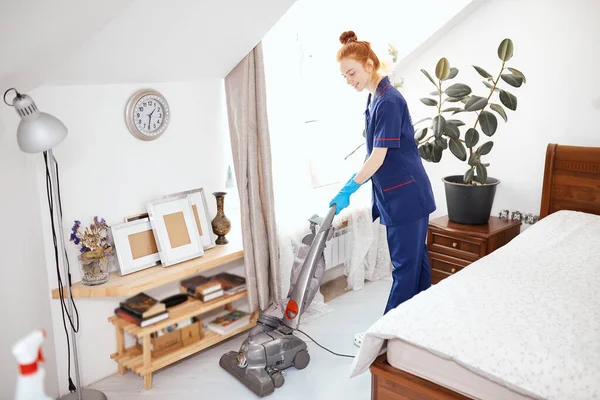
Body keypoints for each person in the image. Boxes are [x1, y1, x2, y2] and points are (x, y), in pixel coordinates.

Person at [329, 31, 436, 347]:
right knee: (417, 265)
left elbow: (379, 155)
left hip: (407, 197)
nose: (349, 80)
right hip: (397, 195)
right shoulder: (374, 96)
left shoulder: (389, 101)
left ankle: (381, 338)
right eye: (344, 75)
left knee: (405, 269)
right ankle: (422, 326)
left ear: (370, 64)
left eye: (352, 72)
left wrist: (349, 187)